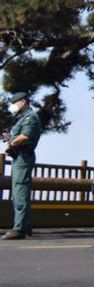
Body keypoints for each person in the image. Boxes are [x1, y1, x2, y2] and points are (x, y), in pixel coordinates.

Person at [2, 92, 42, 240]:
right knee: (18, 191)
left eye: (15, 103)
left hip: (23, 158)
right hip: (19, 158)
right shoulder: (23, 118)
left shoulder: (29, 117)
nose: (13, 106)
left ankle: (19, 229)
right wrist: (10, 138)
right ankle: (25, 226)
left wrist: (11, 143)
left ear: (23, 102)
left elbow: (25, 137)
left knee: (20, 192)